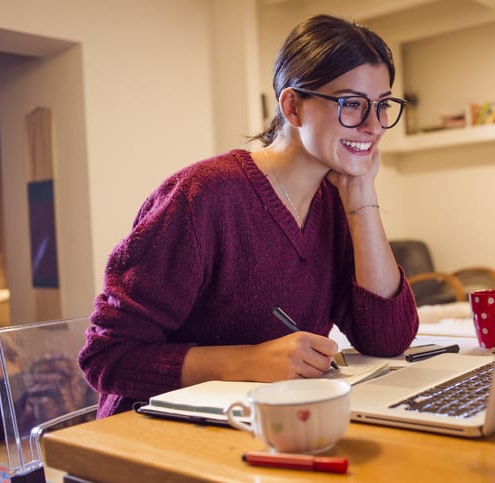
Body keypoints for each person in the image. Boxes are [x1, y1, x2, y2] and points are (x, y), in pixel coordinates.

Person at [79, 14, 419, 418]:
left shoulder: (334, 200)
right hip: (152, 433)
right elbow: (107, 357)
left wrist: (362, 194)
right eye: (351, 104)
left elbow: (388, 339)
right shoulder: (202, 195)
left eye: (382, 106)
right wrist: (246, 361)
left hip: (265, 426)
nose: (372, 126)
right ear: (292, 106)